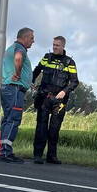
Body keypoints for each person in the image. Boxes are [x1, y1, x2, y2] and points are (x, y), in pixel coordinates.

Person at [31, 35, 79, 164]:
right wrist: (30, 82)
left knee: (54, 128)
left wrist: (65, 91)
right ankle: (37, 155)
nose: (54, 47)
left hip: (59, 101)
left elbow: (74, 82)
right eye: (53, 45)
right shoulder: (47, 58)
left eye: (57, 45)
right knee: (41, 127)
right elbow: (36, 70)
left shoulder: (70, 62)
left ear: (63, 46)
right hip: (44, 97)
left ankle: (51, 156)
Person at [0, 27, 35, 163]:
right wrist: (18, 75)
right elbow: (18, 58)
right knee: (13, 119)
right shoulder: (20, 48)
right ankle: (6, 153)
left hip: (9, 88)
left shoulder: (12, 47)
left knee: (8, 119)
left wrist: (27, 80)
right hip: (14, 89)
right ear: (24, 38)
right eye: (31, 38)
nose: (33, 41)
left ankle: (3, 150)